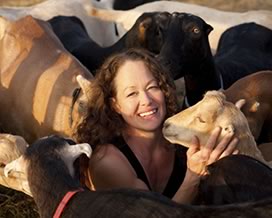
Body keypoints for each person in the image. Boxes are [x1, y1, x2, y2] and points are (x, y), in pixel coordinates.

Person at [75, 48, 239, 204]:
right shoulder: (109, 162)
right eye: (132, 93)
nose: (146, 100)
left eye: (152, 87)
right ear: (115, 105)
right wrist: (194, 176)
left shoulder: (181, 136)